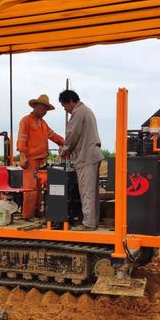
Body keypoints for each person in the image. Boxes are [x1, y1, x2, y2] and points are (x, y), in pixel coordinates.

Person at [58, 90, 104, 231]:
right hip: (92, 155)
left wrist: (64, 151)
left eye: (64, 105)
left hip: (86, 156)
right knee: (91, 191)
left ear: (71, 101)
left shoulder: (78, 113)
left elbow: (72, 135)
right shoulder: (86, 110)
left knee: (86, 191)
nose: (65, 109)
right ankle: (92, 221)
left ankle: (88, 223)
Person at [16, 94, 64, 220]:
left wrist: (64, 142)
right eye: (43, 109)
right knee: (30, 189)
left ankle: (36, 211)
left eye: (46, 110)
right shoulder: (26, 121)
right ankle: (27, 215)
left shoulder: (43, 123)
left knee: (39, 189)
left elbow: (52, 135)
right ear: (36, 106)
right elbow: (21, 139)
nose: (44, 112)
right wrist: (22, 156)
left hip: (41, 161)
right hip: (30, 160)